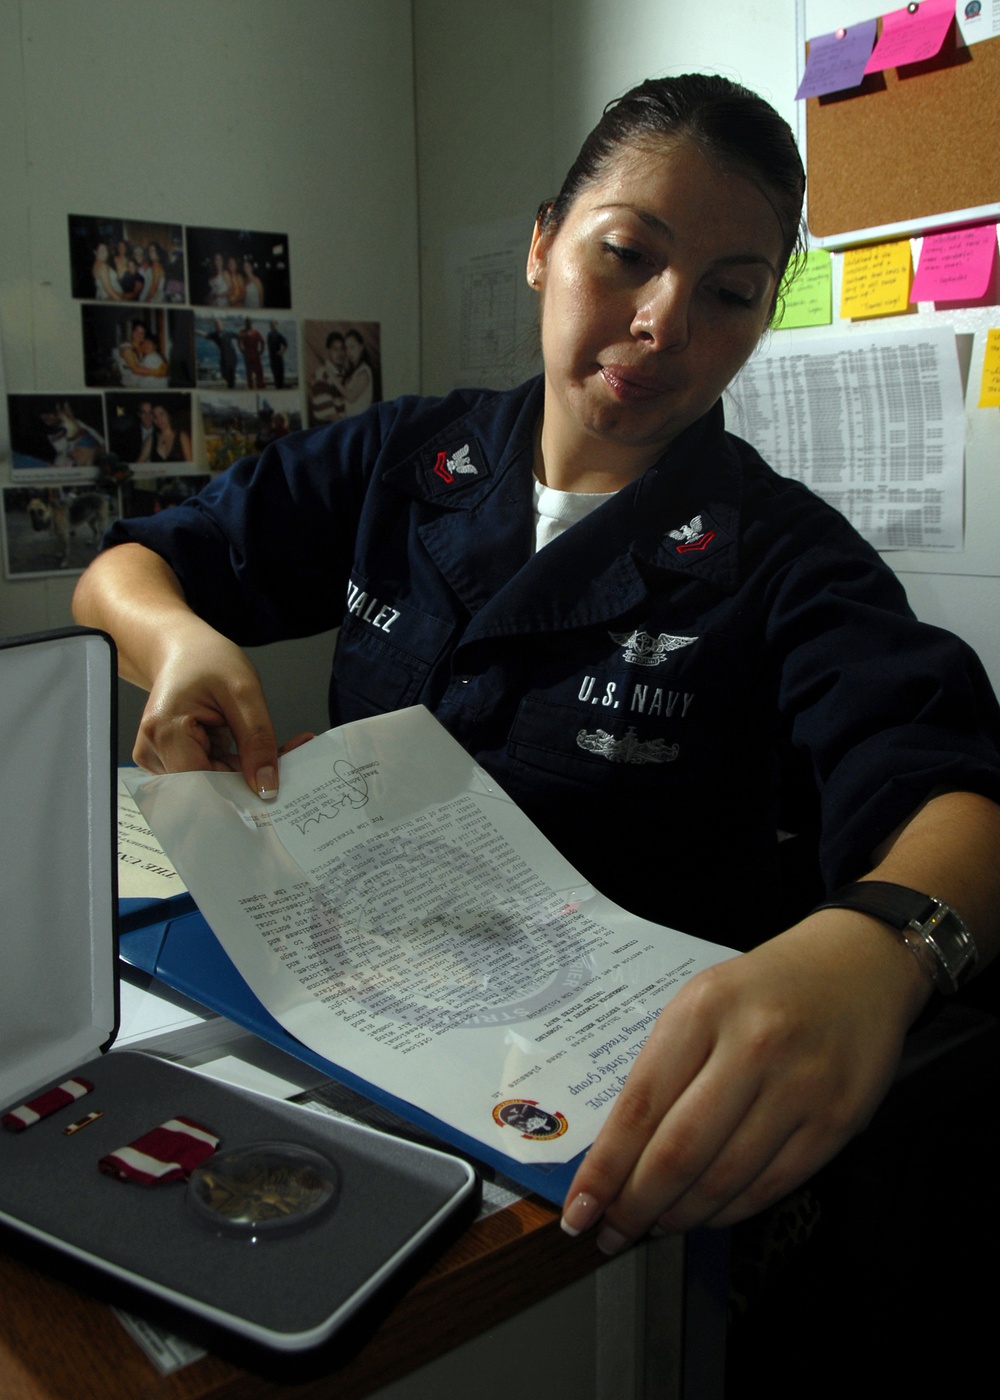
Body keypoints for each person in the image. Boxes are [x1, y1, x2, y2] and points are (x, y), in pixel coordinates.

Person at [74, 76, 1000, 1258]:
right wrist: (182, 642)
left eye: (729, 293)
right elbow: (125, 570)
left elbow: (953, 794)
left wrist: (880, 949)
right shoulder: (406, 458)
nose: (666, 322)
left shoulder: (780, 557)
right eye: (626, 254)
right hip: (338, 1018)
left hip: (599, 1137)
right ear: (542, 244)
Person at [309, 329, 348, 422]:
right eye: (335, 349)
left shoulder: (344, 374)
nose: (340, 353)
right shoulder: (321, 376)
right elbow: (331, 417)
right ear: (328, 351)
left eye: (342, 349)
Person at [117, 320, 168, 387]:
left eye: (142, 333)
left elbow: (157, 356)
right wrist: (158, 372)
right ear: (132, 332)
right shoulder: (126, 348)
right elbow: (135, 370)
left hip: (140, 384)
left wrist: (164, 368)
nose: (138, 334)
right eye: (136, 331)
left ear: (144, 335)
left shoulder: (143, 346)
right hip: (128, 386)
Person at [340, 327, 375, 416]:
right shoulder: (354, 371)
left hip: (361, 423)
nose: (349, 352)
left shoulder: (364, 372)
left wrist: (332, 378)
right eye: (347, 348)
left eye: (352, 347)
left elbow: (351, 397)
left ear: (361, 347)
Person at [238, 316, 266, 389]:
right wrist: (242, 350)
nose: (248, 324)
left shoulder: (255, 332)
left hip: (255, 355)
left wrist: (261, 351)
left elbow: (262, 342)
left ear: (251, 323)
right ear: (245, 323)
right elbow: (239, 340)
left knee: (259, 372)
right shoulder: (242, 332)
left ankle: (260, 387)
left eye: (250, 322)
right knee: (249, 374)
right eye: (247, 322)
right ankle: (251, 387)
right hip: (247, 355)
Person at [267, 319, 288, 389]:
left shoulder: (278, 335)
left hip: (278, 358)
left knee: (280, 376)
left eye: (273, 324)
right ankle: (277, 387)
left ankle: (280, 387)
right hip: (272, 358)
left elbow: (286, 345)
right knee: (275, 375)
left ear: (276, 325)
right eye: (270, 324)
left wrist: (281, 352)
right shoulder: (269, 335)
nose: (271, 325)